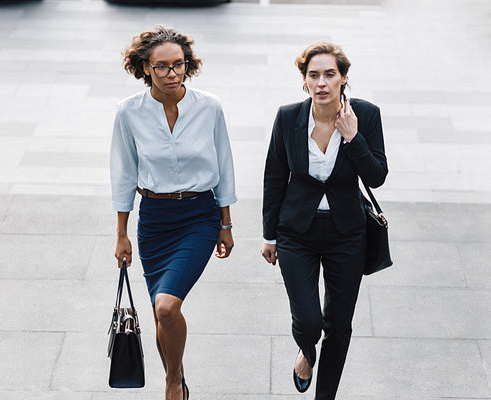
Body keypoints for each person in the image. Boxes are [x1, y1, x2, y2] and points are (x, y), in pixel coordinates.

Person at [110, 25, 237, 400]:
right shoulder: (128, 113)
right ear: (145, 68)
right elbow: (122, 173)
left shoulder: (209, 107)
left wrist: (226, 223)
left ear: (188, 65)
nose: (172, 74)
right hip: (154, 220)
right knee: (159, 311)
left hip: (200, 215)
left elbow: (225, 165)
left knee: (167, 306)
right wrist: (122, 232)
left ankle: (172, 381)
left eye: (178, 65)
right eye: (162, 66)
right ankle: (178, 376)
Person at [261, 42, 388, 400]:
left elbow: (377, 175)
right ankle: (307, 351)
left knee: (339, 325)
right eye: (313, 75)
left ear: (343, 78)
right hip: (295, 232)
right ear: (304, 81)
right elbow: (274, 178)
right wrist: (269, 235)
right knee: (309, 321)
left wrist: (353, 136)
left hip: (347, 233)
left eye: (330, 74)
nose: (322, 82)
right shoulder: (288, 117)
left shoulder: (366, 114)